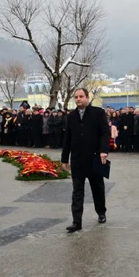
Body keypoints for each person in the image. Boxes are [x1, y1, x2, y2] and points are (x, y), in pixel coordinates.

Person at [61, 88, 110, 233]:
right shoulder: (71, 116)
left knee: (98, 189)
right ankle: (77, 221)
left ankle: (101, 212)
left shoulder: (98, 113)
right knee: (77, 191)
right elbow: (67, 139)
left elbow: (105, 133)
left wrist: (103, 151)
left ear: (87, 97)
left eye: (81, 96)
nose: (78, 99)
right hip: (77, 160)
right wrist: (65, 159)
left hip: (95, 158)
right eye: (76, 97)